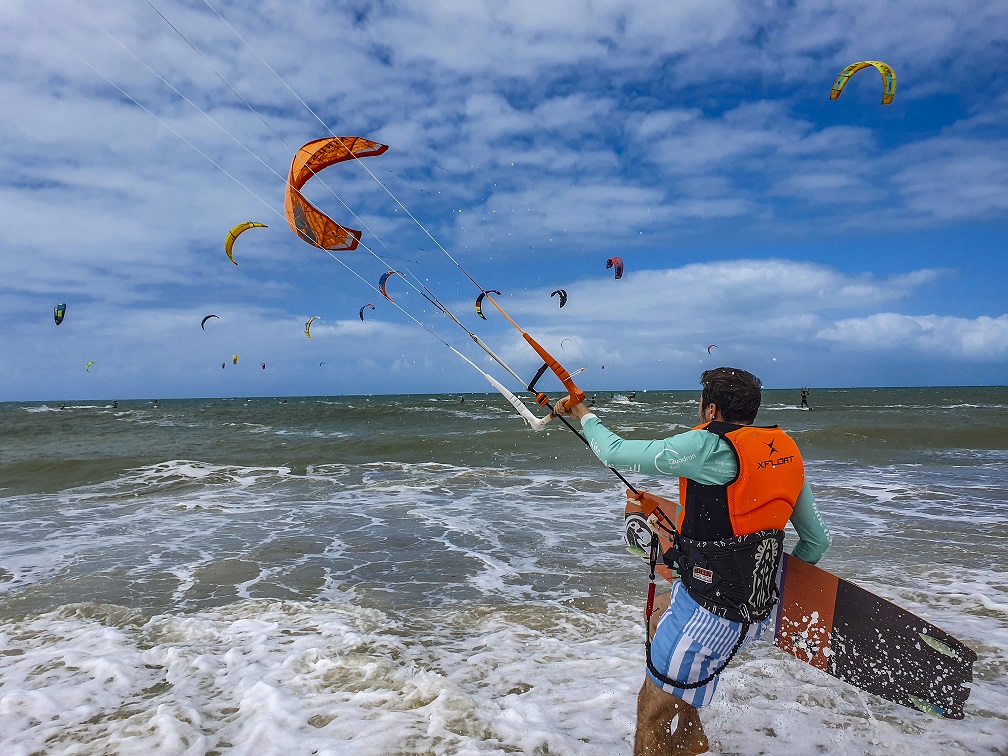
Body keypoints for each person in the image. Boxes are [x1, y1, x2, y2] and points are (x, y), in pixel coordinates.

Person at [557, 367, 831, 755]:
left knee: (650, 712)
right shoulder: (784, 449)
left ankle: (681, 722)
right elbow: (817, 542)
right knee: (659, 615)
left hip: (709, 614)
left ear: (711, 410)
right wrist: (760, 588)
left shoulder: (706, 447)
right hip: (743, 609)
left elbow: (613, 451)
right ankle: (690, 731)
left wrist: (581, 412)